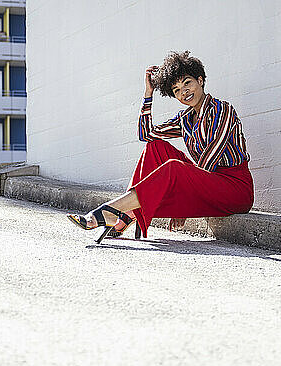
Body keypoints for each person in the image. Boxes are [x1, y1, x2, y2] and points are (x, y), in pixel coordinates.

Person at [67, 50, 254, 243]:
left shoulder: (222, 109)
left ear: (200, 80)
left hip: (234, 189)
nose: (184, 92)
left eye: (187, 83)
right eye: (177, 90)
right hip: (206, 182)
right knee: (155, 147)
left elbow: (211, 158)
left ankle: (112, 211)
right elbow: (146, 135)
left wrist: (187, 196)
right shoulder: (185, 119)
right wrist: (148, 94)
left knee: (174, 167)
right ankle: (127, 213)